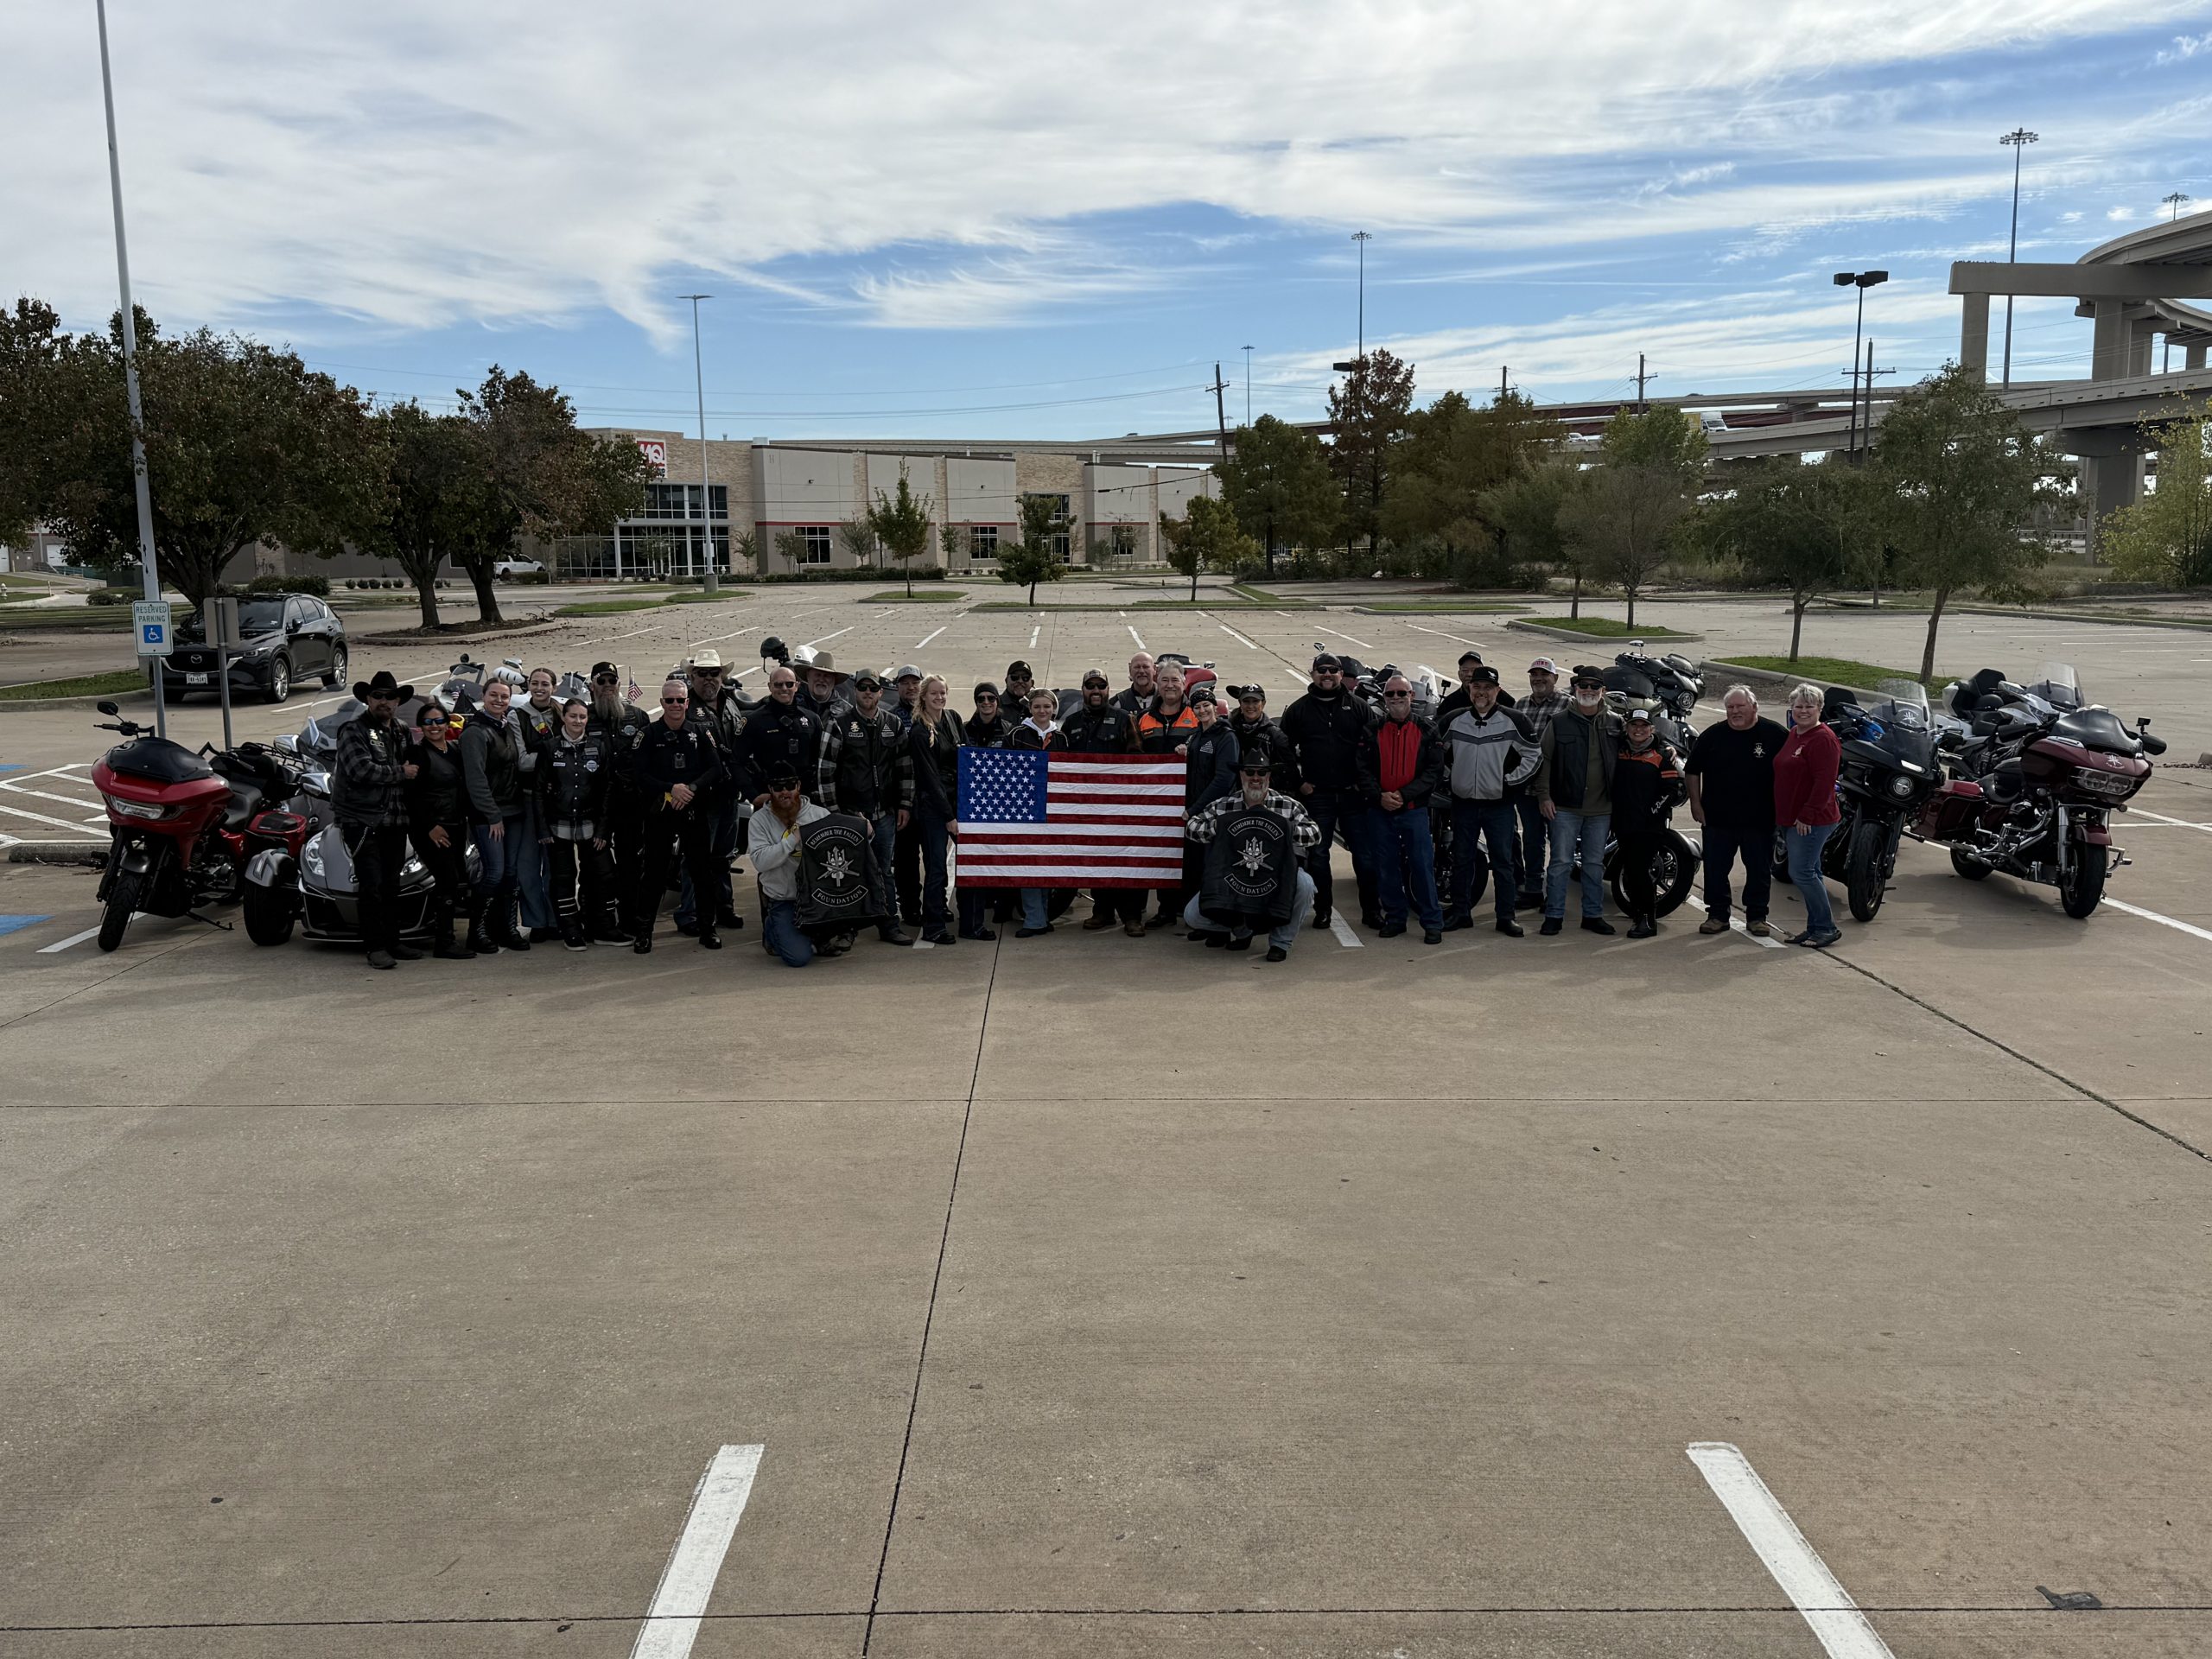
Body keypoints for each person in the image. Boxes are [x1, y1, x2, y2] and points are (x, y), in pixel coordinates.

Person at [1182, 751, 1320, 962]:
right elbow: (1192, 827)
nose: (1256, 777)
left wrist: (1288, 829)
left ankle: (1280, 942)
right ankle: (1243, 928)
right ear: (1241, 775)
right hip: (1234, 877)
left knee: (1305, 883)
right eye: (1250, 772)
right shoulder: (1225, 805)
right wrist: (1216, 826)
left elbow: (1315, 834)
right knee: (1192, 915)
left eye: (1262, 773)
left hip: (1276, 876)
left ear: (1269, 776)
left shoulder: (1288, 805)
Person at [1435, 663, 1541, 937]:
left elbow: (1534, 756)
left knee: (1504, 863)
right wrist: (1449, 778)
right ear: (1470, 688)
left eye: (1488, 688)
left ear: (1498, 690)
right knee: (1461, 860)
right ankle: (1461, 913)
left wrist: (1510, 784)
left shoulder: (1514, 720)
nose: (1482, 692)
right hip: (1464, 804)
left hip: (1499, 806)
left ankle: (1505, 917)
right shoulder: (1454, 720)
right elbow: (1435, 753)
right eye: (1477, 687)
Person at [1281, 652, 1379, 932]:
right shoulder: (1299, 710)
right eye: (1321, 670)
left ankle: (1371, 910)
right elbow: (1283, 748)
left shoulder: (1359, 707)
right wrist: (1299, 782)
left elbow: (1374, 747)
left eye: (1333, 670)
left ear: (1340, 674)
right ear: (1312, 674)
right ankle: (1323, 910)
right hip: (1318, 795)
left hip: (1353, 795)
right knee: (1319, 857)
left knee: (1365, 856)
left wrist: (1366, 783)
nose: (1327, 674)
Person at [816, 669, 914, 948]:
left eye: (873, 688)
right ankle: (847, 930)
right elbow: (825, 772)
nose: (868, 693)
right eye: (863, 688)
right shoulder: (838, 725)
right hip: (850, 814)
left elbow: (905, 769)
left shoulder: (893, 725)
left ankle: (889, 924)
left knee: (884, 871)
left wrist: (904, 804)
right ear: (855, 691)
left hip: (884, 813)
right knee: (848, 872)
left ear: (881, 693)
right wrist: (836, 812)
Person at [628, 677, 726, 953]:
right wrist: (671, 789)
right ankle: (644, 932)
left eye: (680, 700)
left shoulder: (700, 733)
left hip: (693, 810)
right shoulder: (647, 735)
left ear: (687, 702)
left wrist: (691, 789)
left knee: (701, 873)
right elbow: (639, 775)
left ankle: (708, 929)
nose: (675, 705)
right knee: (654, 874)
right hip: (661, 811)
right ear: (661, 703)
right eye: (669, 700)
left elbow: (715, 769)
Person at [333, 669, 421, 969]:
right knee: (370, 885)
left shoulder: (401, 730)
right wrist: (401, 773)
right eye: (379, 696)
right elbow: (360, 771)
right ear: (368, 699)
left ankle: (393, 940)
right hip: (362, 820)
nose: (385, 702)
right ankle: (375, 947)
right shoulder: (352, 730)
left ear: (398, 701)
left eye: (391, 697)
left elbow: (415, 768)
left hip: (395, 821)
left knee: (391, 885)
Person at [1686, 684, 1789, 938]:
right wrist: (1696, 804)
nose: (1735, 711)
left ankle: (1757, 917)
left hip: (1760, 819)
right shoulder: (1712, 735)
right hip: (1718, 818)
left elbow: (1792, 771)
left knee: (1759, 870)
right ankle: (1717, 915)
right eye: (1730, 707)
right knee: (1715, 868)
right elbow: (1692, 770)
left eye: (1740, 706)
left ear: (1754, 707)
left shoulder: (1775, 734)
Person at [1356, 674, 1446, 943]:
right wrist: (1380, 796)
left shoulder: (1428, 730)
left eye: (1401, 693)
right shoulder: (1371, 730)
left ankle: (1432, 922)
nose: (1396, 698)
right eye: (1390, 694)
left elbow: (1434, 771)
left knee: (1421, 866)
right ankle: (1395, 918)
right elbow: (1362, 769)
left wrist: (1404, 795)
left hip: (1414, 810)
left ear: (1412, 696)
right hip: (1380, 811)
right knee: (1386, 867)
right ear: (1384, 698)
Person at [1534, 666, 1622, 938]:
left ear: (1603, 691)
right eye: (1584, 686)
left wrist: (1662, 746)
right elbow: (1544, 759)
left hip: (1601, 809)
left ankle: (1593, 915)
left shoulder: (1616, 723)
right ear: (1575, 689)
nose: (1589, 691)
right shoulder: (1559, 721)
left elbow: (1639, 743)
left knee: (1595, 864)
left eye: (1595, 687)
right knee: (1560, 863)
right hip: (1564, 807)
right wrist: (1544, 796)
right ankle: (1554, 916)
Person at [537, 696, 626, 950]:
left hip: (590, 823)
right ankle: (571, 931)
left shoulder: (598, 747)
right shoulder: (549, 747)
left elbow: (609, 788)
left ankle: (604, 928)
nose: (578, 721)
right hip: (558, 824)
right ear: (564, 717)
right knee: (564, 878)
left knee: (605, 875)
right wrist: (543, 828)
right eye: (573, 716)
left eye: (583, 716)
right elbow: (539, 790)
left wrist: (603, 829)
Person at [1060, 668, 1144, 933]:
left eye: (1101, 686)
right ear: (1083, 689)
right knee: (1096, 858)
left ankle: (1131, 916)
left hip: (1119, 805)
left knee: (1123, 860)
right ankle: (1103, 912)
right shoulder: (1071, 724)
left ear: (1108, 689)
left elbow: (1137, 760)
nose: (1096, 691)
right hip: (1086, 806)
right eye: (1090, 686)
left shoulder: (1124, 719)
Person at [675, 647, 749, 938]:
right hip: (701, 798)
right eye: (701, 674)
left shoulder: (730, 703)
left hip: (729, 795)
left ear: (722, 676)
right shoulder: (685, 708)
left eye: (714, 673)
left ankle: (723, 906)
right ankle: (689, 913)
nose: (708, 679)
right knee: (695, 859)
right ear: (692, 677)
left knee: (723, 857)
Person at [460, 677, 530, 954]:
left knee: (511, 874)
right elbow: (475, 779)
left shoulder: (507, 726)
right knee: (494, 872)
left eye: (504, 696)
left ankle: (507, 928)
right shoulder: (475, 732)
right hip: (489, 815)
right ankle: (478, 932)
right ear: (484, 696)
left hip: (514, 811)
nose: (499, 701)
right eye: (494, 696)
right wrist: (492, 815)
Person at [1135, 661, 1203, 930]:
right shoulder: (1144, 719)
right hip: (1157, 802)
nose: (1170, 685)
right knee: (1163, 855)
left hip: (1191, 799)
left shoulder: (1197, 716)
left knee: (1192, 858)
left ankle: (1191, 912)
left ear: (1184, 683)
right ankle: (1165, 910)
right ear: (1157, 684)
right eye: (1165, 681)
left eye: (1175, 680)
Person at [404, 698, 475, 959]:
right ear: (420, 726)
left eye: (438, 721)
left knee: (455, 880)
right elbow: (412, 796)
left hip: (456, 825)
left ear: (447, 723)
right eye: (427, 722)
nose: (434, 726)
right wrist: (430, 827)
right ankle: (444, 941)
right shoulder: (417, 754)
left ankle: (439, 929)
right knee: (446, 879)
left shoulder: (454, 750)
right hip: (432, 829)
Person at [1775, 682, 1844, 948]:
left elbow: (1824, 783)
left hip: (1813, 820)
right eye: (1798, 706)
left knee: (1801, 872)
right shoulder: (1795, 733)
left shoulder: (1824, 740)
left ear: (1820, 709)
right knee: (1811, 871)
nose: (1803, 711)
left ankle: (1826, 928)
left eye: (1809, 706)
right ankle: (1815, 927)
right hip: (1791, 817)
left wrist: (1807, 815)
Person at [906, 674, 972, 944]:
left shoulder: (954, 719)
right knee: (936, 868)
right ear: (924, 696)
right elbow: (929, 779)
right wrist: (948, 816)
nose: (939, 698)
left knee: (970, 861)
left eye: (943, 693)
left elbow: (968, 758)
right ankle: (933, 924)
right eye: (934, 693)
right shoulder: (920, 731)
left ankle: (971, 921)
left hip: (958, 801)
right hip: (934, 808)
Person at [1610, 706, 1684, 939]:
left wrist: (1652, 812)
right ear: (1627, 727)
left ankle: (1647, 920)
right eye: (1634, 725)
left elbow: (1671, 790)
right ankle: (1636, 912)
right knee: (1629, 870)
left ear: (1652, 728)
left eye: (1643, 726)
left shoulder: (1662, 755)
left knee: (1640, 870)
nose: (1638, 730)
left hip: (1648, 825)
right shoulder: (1619, 750)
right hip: (1622, 822)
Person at [748, 763, 830, 967]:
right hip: (784, 900)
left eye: (790, 785)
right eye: (778, 787)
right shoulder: (759, 820)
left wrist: (866, 832)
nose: (785, 792)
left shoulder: (820, 815)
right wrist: (793, 839)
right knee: (799, 958)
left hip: (818, 899)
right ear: (770, 790)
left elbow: (843, 849)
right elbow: (760, 862)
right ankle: (772, 926)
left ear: (799, 786)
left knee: (834, 940)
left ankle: (812, 934)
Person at [1005, 687, 1064, 938]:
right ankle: (1033, 919)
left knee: (1047, 864)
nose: (1042, 711)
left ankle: (1043, 916)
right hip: (1024, 809)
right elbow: (1005, 769)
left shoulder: (1061, 737)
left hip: (1054, 810)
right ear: (1030, 709)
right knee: (1029, 863)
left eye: (1047, 707)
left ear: (1053, 709)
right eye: (1037, 706)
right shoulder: (1017, 735)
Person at [587, 660, 652, 883]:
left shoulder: (638, 716)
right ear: (592, 685)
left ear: (619, 684)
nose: (607, 685)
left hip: (630, 804)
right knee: (594, 867)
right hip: (594, 805)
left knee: (632, 864)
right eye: (601, 681)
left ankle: (629, 915)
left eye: (612, 680)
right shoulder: (582, 718)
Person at [512, 667, 562, 942]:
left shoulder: (562, 713)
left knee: (554, 865)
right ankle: (535, 921)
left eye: (545, 683)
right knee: (527, 866)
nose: (539, 688)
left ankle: (555, 920)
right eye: (534, 683)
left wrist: (543, 758)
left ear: (555, 686)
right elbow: (521, 760)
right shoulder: (517, 716)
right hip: (529, 798)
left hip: (555, 801)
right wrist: (554, 759)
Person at [1516, 658, 1568, 909]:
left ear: (1555, 678)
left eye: (1544, 674)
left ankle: (1555, 894)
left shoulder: (1568, 705)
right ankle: (1534, 888)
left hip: (1557, 789)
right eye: (1534, 674)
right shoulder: (1521, 705)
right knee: (1532, 841)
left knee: (1559, 842)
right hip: (1526, 788)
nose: (1538, 679)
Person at [887, 663, 925, 920]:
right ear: (897, 687)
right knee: (905, 858)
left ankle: (935, 904)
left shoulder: (934, 715)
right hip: (903, 800)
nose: (911, 687)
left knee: (934, 858)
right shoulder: (890, 719)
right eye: (905, 683)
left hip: (930, 798)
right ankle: (910, 907)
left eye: (915, 682)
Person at [1226, 684, 1298, 791]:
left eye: (1255, 701)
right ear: (1240, 703)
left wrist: (1267, 786)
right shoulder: (1230, 729)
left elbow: (1289, 767)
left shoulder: (1275, 734)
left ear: (1263, 704)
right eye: (1246, 701)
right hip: (1233, 791)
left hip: (1264, 792)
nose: (1250, 706)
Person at [1434, 651, 1520, 721]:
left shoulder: (1502, 698)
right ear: (1459, 674)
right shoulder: (1450, 702)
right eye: (1465, 670)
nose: (1469, 674)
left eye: (1474, 670)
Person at [797, 652, 852, 723]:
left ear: (834, 681)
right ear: (808, 677)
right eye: (817, 675)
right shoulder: (793, 703)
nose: (822, 680)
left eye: (827, 676)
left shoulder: (847, 712)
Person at [965, 682, 1015, 747]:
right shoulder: (965, 729)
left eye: (991, 698)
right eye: (981, 699)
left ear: (997, 701)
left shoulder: (1009, 730)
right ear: (976, 702)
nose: (986, 702)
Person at [1112, 652, 1156, 716]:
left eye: (1146, 667)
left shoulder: (1165, 700)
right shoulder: (1118, 702)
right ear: (1130, 670)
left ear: (1154, 669)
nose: (1141, 671)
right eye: (1137, 667)